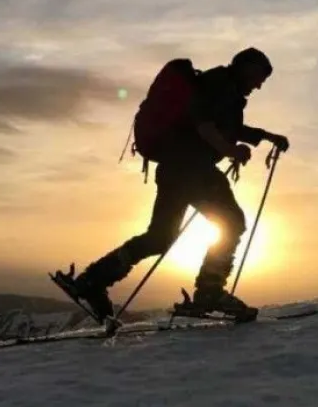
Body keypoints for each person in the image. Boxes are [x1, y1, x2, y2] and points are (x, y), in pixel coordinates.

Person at [71, 47, 290, 322]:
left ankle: (93, 280)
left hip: (174, 168)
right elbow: (204, 124)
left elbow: (226, 126)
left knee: (160, 237)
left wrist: (267, 136)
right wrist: (230, 150)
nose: (258, 85)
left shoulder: (219, 86)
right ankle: (209, 292)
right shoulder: (221, 85)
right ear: (246, 67)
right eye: (258, 77)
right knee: (232, 222)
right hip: (194, 170)